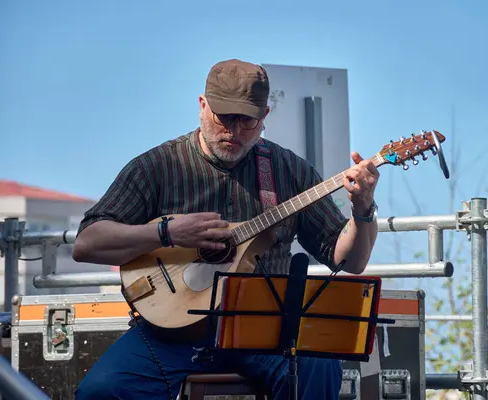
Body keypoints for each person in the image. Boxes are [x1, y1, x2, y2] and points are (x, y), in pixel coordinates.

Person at [72, 58, 380, 400]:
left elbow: (349, 260)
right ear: (202, 106)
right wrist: (165, 233)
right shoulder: (158, 166)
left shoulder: (290, 170)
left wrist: (362, 209)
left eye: (246, 120)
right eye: (223, 117)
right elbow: (87, 243)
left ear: (264, 118)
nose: (233, 131)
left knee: (319, 364)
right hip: (169, 334)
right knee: (102, 390)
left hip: (263, 331)